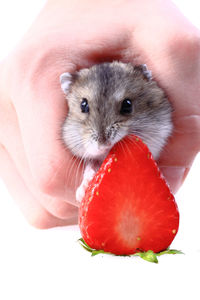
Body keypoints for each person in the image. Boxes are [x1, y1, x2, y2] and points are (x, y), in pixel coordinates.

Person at [0, 0, 199, 228]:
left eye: (125, 107)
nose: (103, 135)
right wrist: (90, 171)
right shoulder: (69, 114)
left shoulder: (154, 106)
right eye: (84, 108)